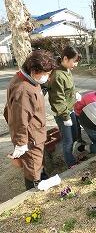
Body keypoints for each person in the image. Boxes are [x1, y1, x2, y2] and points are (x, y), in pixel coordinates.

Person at [4, 50, 56, 189]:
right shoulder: (24, 89)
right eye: (45, 73)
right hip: (31, 138)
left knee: (37, 164)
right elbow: (19, 119)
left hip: (35, 134)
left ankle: (40, 181)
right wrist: (21, 143)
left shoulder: (26, 79)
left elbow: (8, 110)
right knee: (33, 170)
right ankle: (34, 191)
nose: (47, 77)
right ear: (34, 70)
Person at [47, 46, 81, 168]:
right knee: (68, 140)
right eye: (74, 61)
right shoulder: (57, 75)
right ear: (65, 58)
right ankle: (70, 164)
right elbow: (58, 99)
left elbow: (68, 89)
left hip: (69, 109)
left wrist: (74, 95)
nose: (75, 64)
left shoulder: (67, 70)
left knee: (75, 135)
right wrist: (66, 117)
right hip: (62, 113)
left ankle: (71, 156)